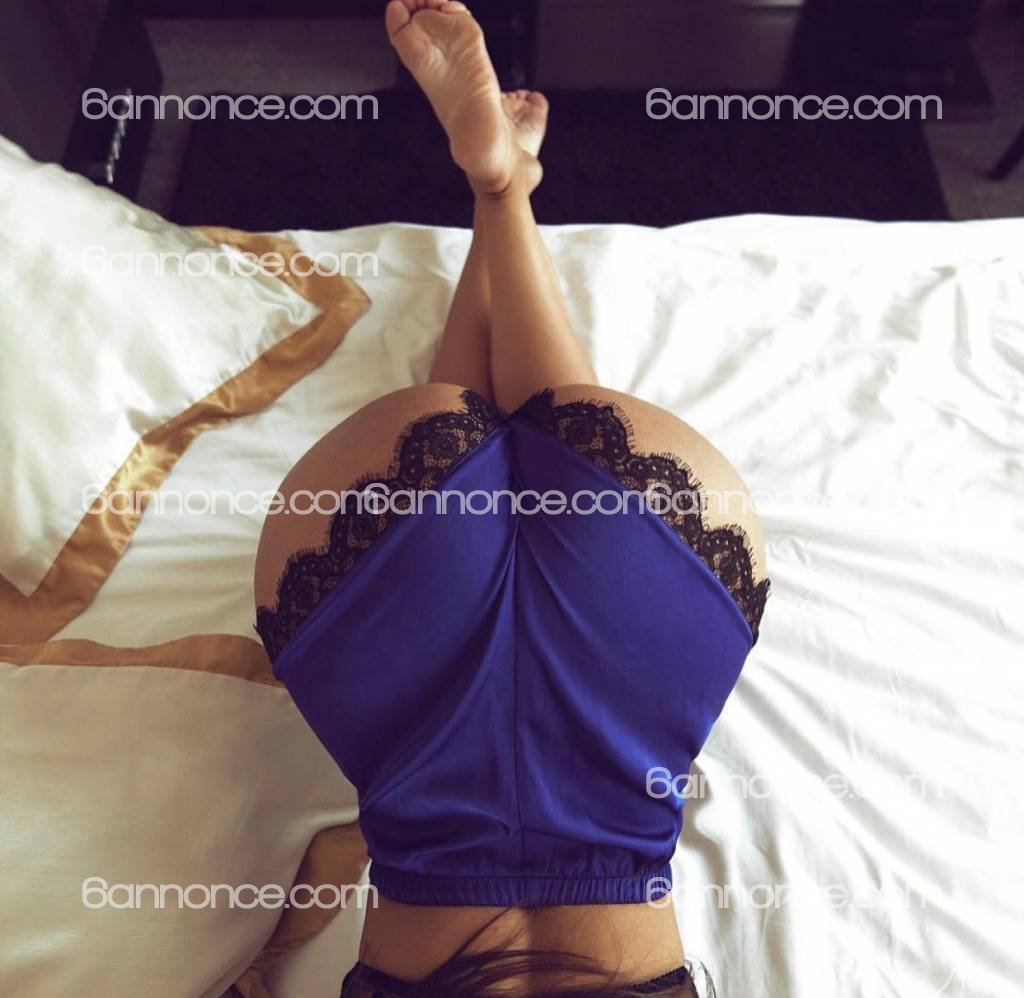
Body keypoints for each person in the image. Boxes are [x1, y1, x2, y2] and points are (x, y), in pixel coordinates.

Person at [254, 2, 770, 994]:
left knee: (526, 434)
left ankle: (504, 189)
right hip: (400, 604)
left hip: (630, 619)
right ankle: (500, 189)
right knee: (460, 440)